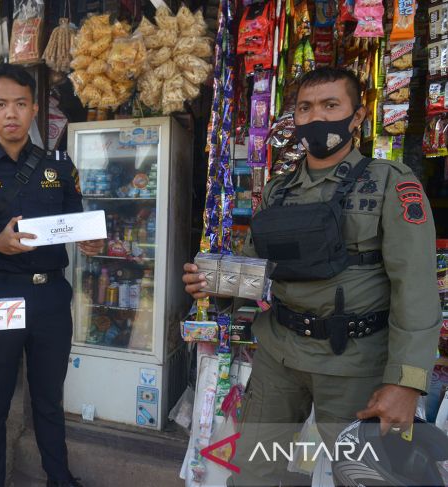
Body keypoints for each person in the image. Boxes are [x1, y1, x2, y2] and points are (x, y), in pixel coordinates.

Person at [182, 67, 441, 485]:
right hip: (278, 359)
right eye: (305, 108)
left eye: (330, 105)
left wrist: (407, 383)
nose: (317, 117)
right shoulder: (277, 191)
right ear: (295, 119)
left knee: (360, 476)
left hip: (355, 365)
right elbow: (253, 271)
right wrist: (212, 283)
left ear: (357, 116)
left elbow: (416, 289)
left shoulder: (390, 184)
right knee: (252, 474)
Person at [0, 64, 103, 487]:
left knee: (49, 399)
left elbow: (73, 223)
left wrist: (88, 241)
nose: (11, 113)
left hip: (51, 297)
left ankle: (58, 477)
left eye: (20, 104)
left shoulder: (59, 165)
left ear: (34, 110)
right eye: (1, 104)